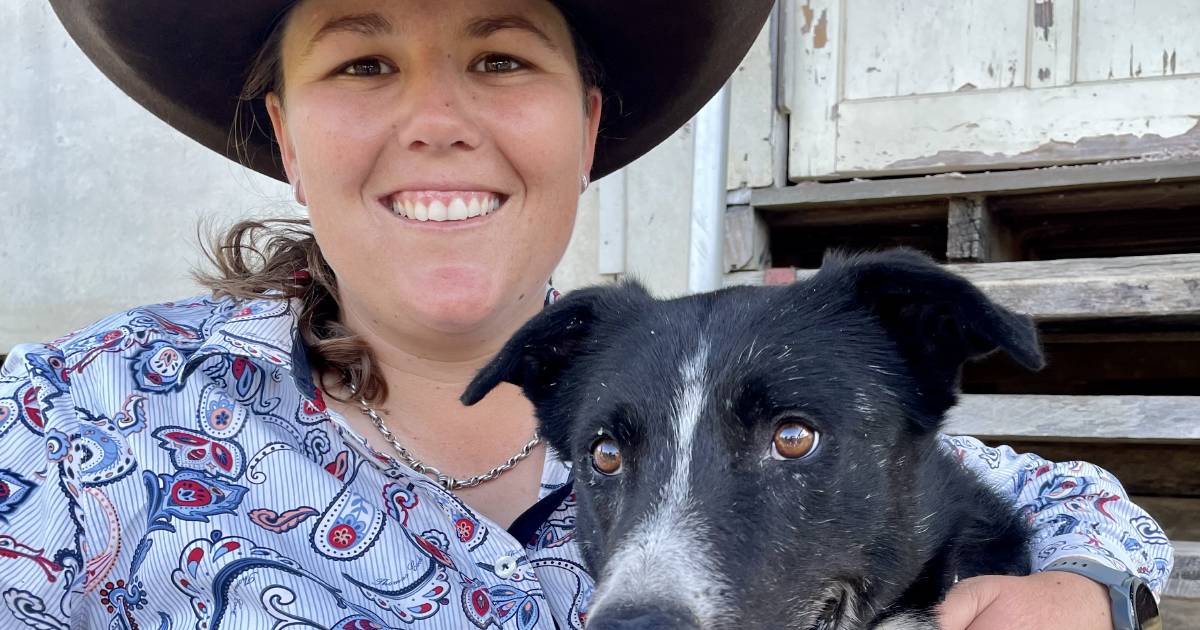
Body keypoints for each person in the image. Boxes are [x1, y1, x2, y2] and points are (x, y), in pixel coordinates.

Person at [0, 1, 1171, 628]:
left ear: (588, 126)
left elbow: (1049, 497)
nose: (439, 119)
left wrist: (1087, 591)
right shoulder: (74, 426)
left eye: (502, 58)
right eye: (363, 63)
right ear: (290, 140)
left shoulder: (656, 359)